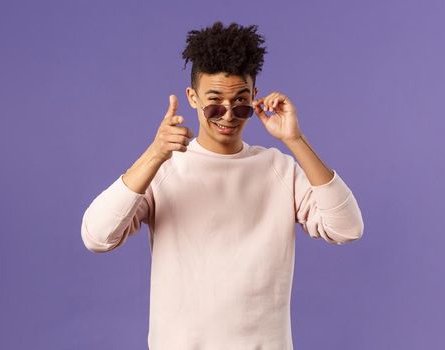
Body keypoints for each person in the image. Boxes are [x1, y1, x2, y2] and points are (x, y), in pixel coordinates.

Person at [80, 21, 364, 349]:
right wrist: (154, 154)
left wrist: (295, 140)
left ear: (255, 97)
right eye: (215, 102)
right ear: (193, 98)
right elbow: (97, 236)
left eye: (240, 102)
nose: (228, 114)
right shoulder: (164, 169)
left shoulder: (279, 169)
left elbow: (347, 228)